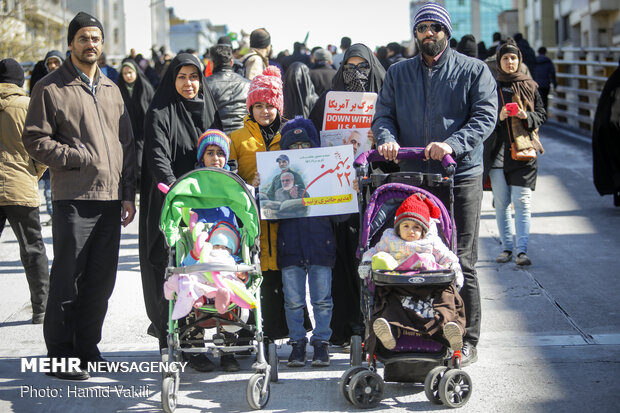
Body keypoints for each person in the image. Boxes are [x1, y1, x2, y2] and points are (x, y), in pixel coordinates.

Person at [373, 2, 498, 366]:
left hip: (459, 175)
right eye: (423, 27)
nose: (430, 33)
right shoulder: (398, 73)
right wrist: (386, 138)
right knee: (413, 257)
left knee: (462, 259)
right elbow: (384, 115)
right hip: (414, 178)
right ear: (415, 34)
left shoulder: (474, 71)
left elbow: (484, 117)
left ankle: (468, 338)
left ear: (447, 32)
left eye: (436, 27)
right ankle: (419, 332)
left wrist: (452, 145)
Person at [22, 11, 136, 380]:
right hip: (73, 197)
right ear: (71, 43)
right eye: (84, 38)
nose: (91, 45)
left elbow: (127, 145)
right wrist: (76, 156)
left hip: (110, 198)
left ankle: (87, 350)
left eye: (97, 39)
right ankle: (60, 357)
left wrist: (128, 193)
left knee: (101, 281)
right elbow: (35, 139)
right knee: (68, 278)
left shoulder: (112, 89)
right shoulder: (50, 87)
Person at [139, 52, 222, 372]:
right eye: (182, 77)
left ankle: (204, 335)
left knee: (201, 271)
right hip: (170, 203)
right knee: (171, 269)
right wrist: (177, 191)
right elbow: (158, 158)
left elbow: (219, 150)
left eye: (194, 77)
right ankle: (177, 340)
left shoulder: (209, 108)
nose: (189, 84)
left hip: (205, 204)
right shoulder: (159, 112)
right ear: (172, 80)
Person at [309, 43, 386, 347]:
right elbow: (312, 141)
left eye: (363, 67)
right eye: (349, 68)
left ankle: (376, 326)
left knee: (373, 260)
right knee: (342, 260)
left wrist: (377, 138)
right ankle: (345, 327)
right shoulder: (327, 102)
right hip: (339, 198)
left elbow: (397, 140)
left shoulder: (385, 101)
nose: (356, 74)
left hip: (375, 193)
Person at [229, 65, 293, 341]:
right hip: (252, 221)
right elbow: (229, 175)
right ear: (250, 108)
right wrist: (248, 182)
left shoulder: (290, 135)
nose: (265, 111)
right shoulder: (237, 138)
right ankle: (249, 334)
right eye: (258, 106)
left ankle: (282, 331)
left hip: (284, 222)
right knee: (253, 277)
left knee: (281, 280)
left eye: (270, 106)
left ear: (278, 107)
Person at [275, 117, 345, 367]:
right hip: (290, 246)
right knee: (292, 300)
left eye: (305, 144)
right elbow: (270, 216)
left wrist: (350, 191)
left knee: (322, 299)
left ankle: (321, 343)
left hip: (320, 244)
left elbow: (342, 214)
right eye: (293, 147)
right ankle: (297, 343)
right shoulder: (278, 179)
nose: (299, 151)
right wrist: (261, 190)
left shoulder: (325, 176)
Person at [358, 193, 465, 352]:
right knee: (385, 296)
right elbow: (373, 252)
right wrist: (367, 263)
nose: (411, 231)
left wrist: (455, 268)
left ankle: (448, 328)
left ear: (423, 230)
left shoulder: (431, 242)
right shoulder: (390, 239)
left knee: (447, 293)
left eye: (416, 227)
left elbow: (447, 256)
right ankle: (390, 330)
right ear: (398, 227)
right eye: (406, 226)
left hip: (430, 285)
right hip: (398, 285)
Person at [485, 40, 547, 267]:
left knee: (522, 202)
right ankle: (506, 248)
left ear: (519, 61)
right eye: (505, 58)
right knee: (501, 203)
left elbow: (542, 114)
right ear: (499, 62)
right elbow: (482, 119)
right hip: (499, 155)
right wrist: (499, 117)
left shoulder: (530, 85)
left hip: (524, 152)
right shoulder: (492, 88)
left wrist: (526, 117)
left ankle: (522, 250)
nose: (510, 62)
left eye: (513, 58)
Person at [0, 58, 50, 325]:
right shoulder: (27, 105)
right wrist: (33, 174)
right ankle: (41, 308)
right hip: (19, 184)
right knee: (33, 248)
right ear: (20, 81)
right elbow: (42, 149)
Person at [117, 58, 155, 188]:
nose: (127, 76)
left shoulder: (146, 88)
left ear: (136, 72)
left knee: (140, 162)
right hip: (125, 133)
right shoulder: (118, 89)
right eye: (124, 73)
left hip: (143, 133)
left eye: (130, 72)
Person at [40, 50, 66, 223]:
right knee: (49, 186)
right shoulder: (42, 86)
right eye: (49, 63)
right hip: (49, 144)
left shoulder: (70, 84)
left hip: (68, 144)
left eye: (56, 62)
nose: (52, 66)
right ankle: (53, 214)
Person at [206, 44, 251, 135]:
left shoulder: (205, 85)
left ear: (211, 64)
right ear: (231, 62)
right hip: (243, 136)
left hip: (217, 138)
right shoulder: (248, 84)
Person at [592, 59, 620, 206]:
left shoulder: (613, 78)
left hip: (607, 129)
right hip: (615, 127)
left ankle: (617, 193)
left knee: (614, 162)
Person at [533, 47, 557, 111]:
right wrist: (555, 84)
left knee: (537, 101)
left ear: (538, 52)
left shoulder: (534, 61)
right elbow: (552, 73)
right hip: (546, 85)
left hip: (536, 84)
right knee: (545, 101)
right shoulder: (548, 61)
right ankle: (544, 116)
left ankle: (538, 115)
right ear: (545, 52)